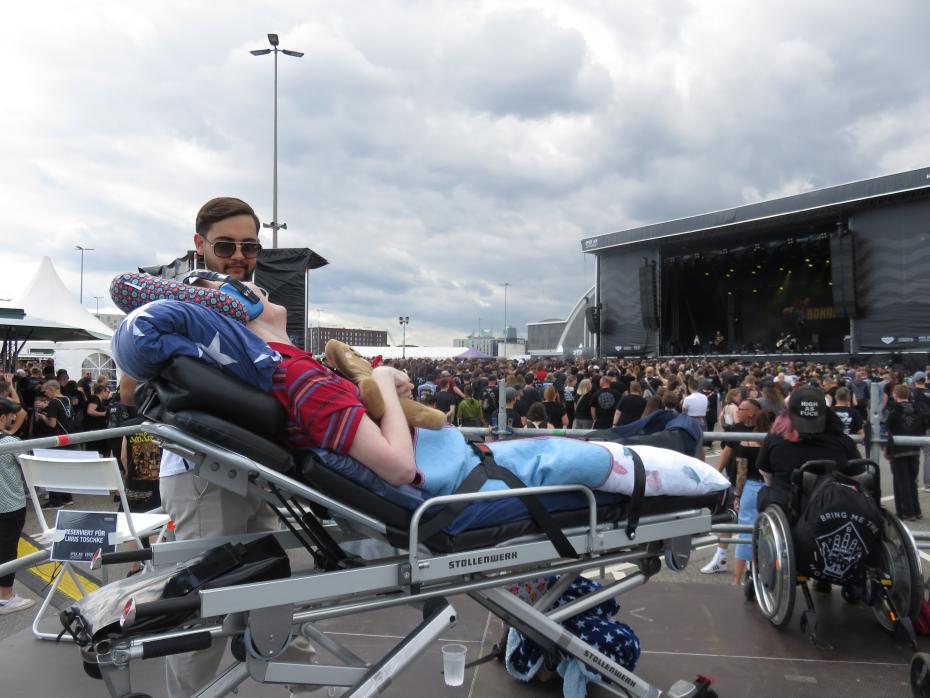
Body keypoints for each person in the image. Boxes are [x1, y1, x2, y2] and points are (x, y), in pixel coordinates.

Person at [119, 197, 276, 698]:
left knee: (277, 592)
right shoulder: (174, 302)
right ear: (199, 245)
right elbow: (128, 389)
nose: (238, 256)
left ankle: (313, 686)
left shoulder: (254, 302)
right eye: (225, 245)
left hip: (259, 467)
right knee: (203, 614)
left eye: (249, 246)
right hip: (202, 472)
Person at [0, 398, 35, 615]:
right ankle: (5, 596)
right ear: (2, 417)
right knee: (6, 549)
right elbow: (30, 466)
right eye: (11, 415)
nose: (14, 417)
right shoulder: (11, 443)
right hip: (10, 505)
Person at [886, 383, 925, 521]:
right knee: (912, 481)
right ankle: (916, 510)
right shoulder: (918, 409)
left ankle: (907, 512)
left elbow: (887, 430)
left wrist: (886, 449)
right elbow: (923, 427)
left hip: (898, 450)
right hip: (914, 449)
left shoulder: (894, 411)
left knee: (901, 481)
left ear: (895, 395)